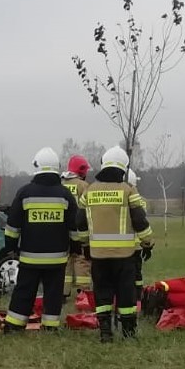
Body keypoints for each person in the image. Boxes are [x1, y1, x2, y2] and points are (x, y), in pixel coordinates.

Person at [2, 147, 83, 333]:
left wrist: (11, 247)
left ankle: (14, 325)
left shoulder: (25, 193)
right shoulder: (65, 195)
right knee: (53, 294)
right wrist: (76, 248)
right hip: (57, 260)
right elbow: (74, 228)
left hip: (30, 258)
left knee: (24, 292)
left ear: (37, 167)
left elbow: (13, 226)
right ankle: (50, 326)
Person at [78, 146, 152, 342]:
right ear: (123, 168)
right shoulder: (128, 190)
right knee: (126, 294)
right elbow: (140, 221)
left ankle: (105, 332)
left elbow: (80, 222)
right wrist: (147, 243)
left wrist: (86, 245)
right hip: (124, 256)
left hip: (98, 256)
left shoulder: (89, 191)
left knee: (102, 293)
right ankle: (128, 333)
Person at [62, 154, 92, 294]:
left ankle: (63, 291)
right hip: (79, 230)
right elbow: (88, 208)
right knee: (82, 260)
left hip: (62, 230)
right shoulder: (83, 186)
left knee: (65, 261)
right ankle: (83, 292)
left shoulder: (61, 184)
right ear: (82, 171)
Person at [126, 168, 153, 302]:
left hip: (124, 245)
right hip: (138, 245)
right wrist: (147, 243)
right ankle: (138, 297)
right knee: (137, 273)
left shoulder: (124, 198)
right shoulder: (141, 201)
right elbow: (142, 222)